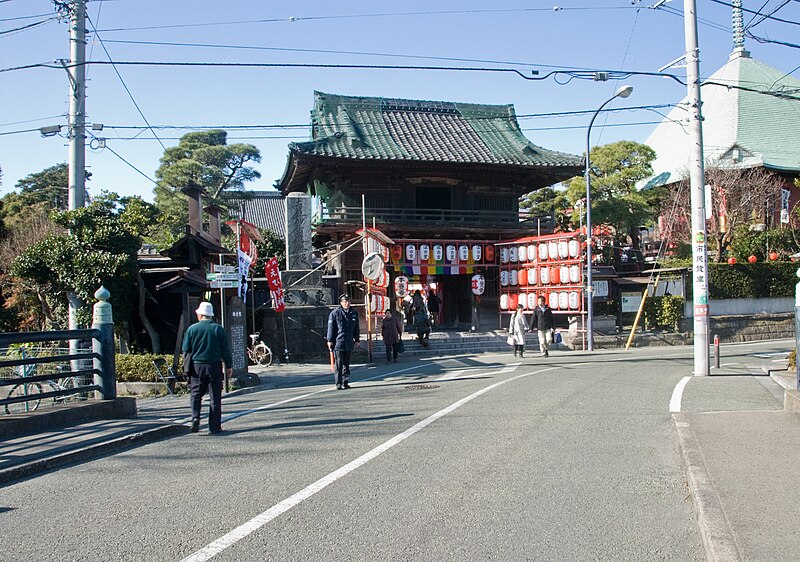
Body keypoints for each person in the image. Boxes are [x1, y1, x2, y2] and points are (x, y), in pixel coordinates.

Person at [182, 302, 233, 434]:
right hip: (214, 365)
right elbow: (225, 350)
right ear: (211, 316)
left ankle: (195, 418)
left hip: (196, 366)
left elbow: (186, 349)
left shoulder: (192, 329)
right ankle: (214, 427)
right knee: (215, 396)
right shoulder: (218, 329)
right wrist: (228, 365)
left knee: (196, 394)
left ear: (200, 314)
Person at [327, 293, 360, 390]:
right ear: (341, 303)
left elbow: (356, 328)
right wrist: (330, 340)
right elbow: (331, 328)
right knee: (339, 364)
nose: (347, 303)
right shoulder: (335, 313)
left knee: (346, 364)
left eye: (349, 301)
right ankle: (338, 383)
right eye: (345, 301)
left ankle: (345, 382)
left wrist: (357, 339)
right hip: (338, 342)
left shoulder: (353, 313)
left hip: (349, 341)